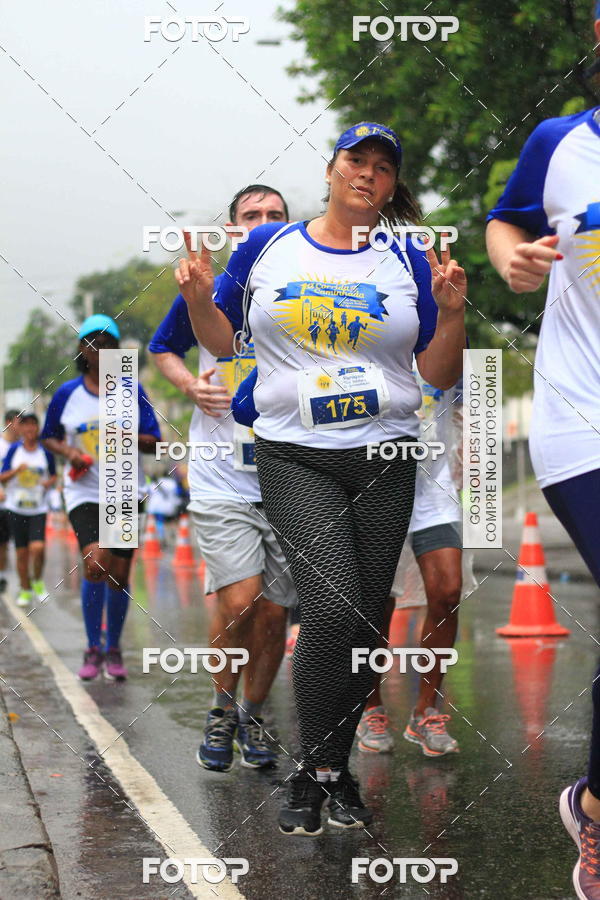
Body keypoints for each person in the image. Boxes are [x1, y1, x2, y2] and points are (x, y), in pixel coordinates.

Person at [177, 122, 466, 835]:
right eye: (355, 161)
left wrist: (454, 312)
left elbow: (436, 374)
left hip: (388, 459)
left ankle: (332, 774)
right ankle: (313, 765)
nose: (367, 174)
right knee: (332, 609)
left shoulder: (408, 258)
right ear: (331, 170)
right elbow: (224, 341)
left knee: (367, 623)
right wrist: (196, 298)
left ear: (393, 186)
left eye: (382, 167)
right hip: (295, 455)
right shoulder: (269, 247)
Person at [486, 10, 600, 893]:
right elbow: (506, 221)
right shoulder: (560, 143)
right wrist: (514, 259)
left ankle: (593, 804)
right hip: (579, 415)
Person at [150, 184, 296, 773]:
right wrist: (190, 384)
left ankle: (254, 715)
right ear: (234, 228)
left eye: (275, 216)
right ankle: (220, 706)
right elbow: (164, 347)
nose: (263, 224)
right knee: (242, 598)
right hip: (220, 476)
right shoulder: (211, 288)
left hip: (292, 474)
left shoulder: (308, 286)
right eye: (251, 216)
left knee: (273, 613)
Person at [41, 314, 161, 681]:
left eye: (108, 344)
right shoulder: (67, 394)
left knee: (120, 575)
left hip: (125, 488)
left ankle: (114, 648)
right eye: (93, 343)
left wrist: (127, 437)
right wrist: (71, 453)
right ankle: (93, 646)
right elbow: (49, 435)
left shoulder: (132, 391)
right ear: (82, 350)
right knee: (95, 562)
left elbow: (155, 442)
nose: (100, 350)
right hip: (83, 491)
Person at [356, 378, 463, 756]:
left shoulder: (446, 325)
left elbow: (470, 394)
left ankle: (426, 712)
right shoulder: (366, 321)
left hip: (435, 488)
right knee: (378, 605)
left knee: (447, 592)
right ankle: (370, 709)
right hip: (374, 485)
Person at [0, 413, 56, 607]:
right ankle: (25, 589)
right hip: (16, 509)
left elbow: (54, 475)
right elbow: (3, 477)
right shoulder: (14, 450)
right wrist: (17, 471)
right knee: (22, 553)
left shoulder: (45, 452)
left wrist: (48, 483)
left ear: (37, 428)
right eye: (26, 425)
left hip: (38, 509)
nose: (30, 429)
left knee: (38, 548)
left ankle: (38, 581)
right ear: (21, 429)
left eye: (34, 425)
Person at [0, 409, 21, 593]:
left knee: (7, 543)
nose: (21, 427)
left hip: (18, 503)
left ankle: (3, 573)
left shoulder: (24, 446)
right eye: (17, 422)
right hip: (1, 502)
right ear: (8, 423)